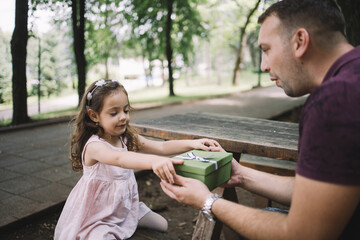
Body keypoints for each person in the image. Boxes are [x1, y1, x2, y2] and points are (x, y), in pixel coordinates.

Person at [160, 0, 360, 239]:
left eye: (266, 49)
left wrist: (207, 201)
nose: (264, 66)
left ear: (300, 41)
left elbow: (302, 234)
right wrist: (241, 174)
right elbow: (321, 189)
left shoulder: (333, 102)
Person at [54, 79, 221, 239]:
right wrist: (153, 162)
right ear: (94, 115)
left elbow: (161, 147)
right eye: (114, 113)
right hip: (97, 217)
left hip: (124, 209)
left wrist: (193, 143)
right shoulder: (94, 146)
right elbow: (119, 158)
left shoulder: (125, 138)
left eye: (125, 110)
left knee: (162, 224)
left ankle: (127, 222)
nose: (123, 117)